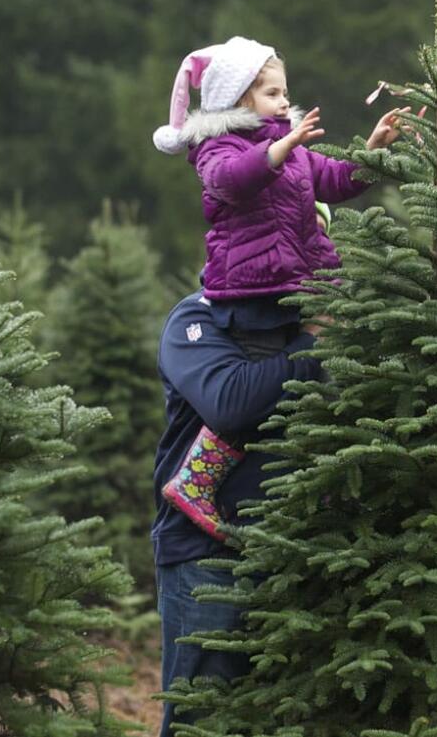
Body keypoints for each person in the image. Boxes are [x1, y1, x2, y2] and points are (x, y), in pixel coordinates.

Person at [151, 35, 413, 535]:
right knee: (261, 395)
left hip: (296, 283)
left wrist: (372, 153)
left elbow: (335, 180)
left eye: (284, 91)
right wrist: (276, 150)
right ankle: (198, 481)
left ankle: (315, 481)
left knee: (306, 383)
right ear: (239, 98)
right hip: (252, 291)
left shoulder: (291, 148)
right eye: (272, 93)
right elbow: (230, 181)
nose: (284, 102)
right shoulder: (217, 146)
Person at [151, 291, 325, 735]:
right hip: (206, 557)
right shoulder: (197, 316)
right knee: (204, 717)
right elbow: (230, 400)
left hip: (307, 554)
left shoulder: (318, 321)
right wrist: (310, 343)